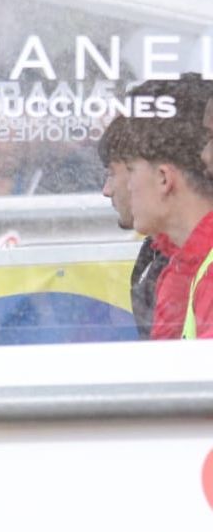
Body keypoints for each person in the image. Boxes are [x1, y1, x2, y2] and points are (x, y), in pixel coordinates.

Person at [102, 79, 213, 340]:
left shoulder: (199, 271)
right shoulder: (176, 263)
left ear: (164, 178)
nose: (125, 186)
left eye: (130, 170)